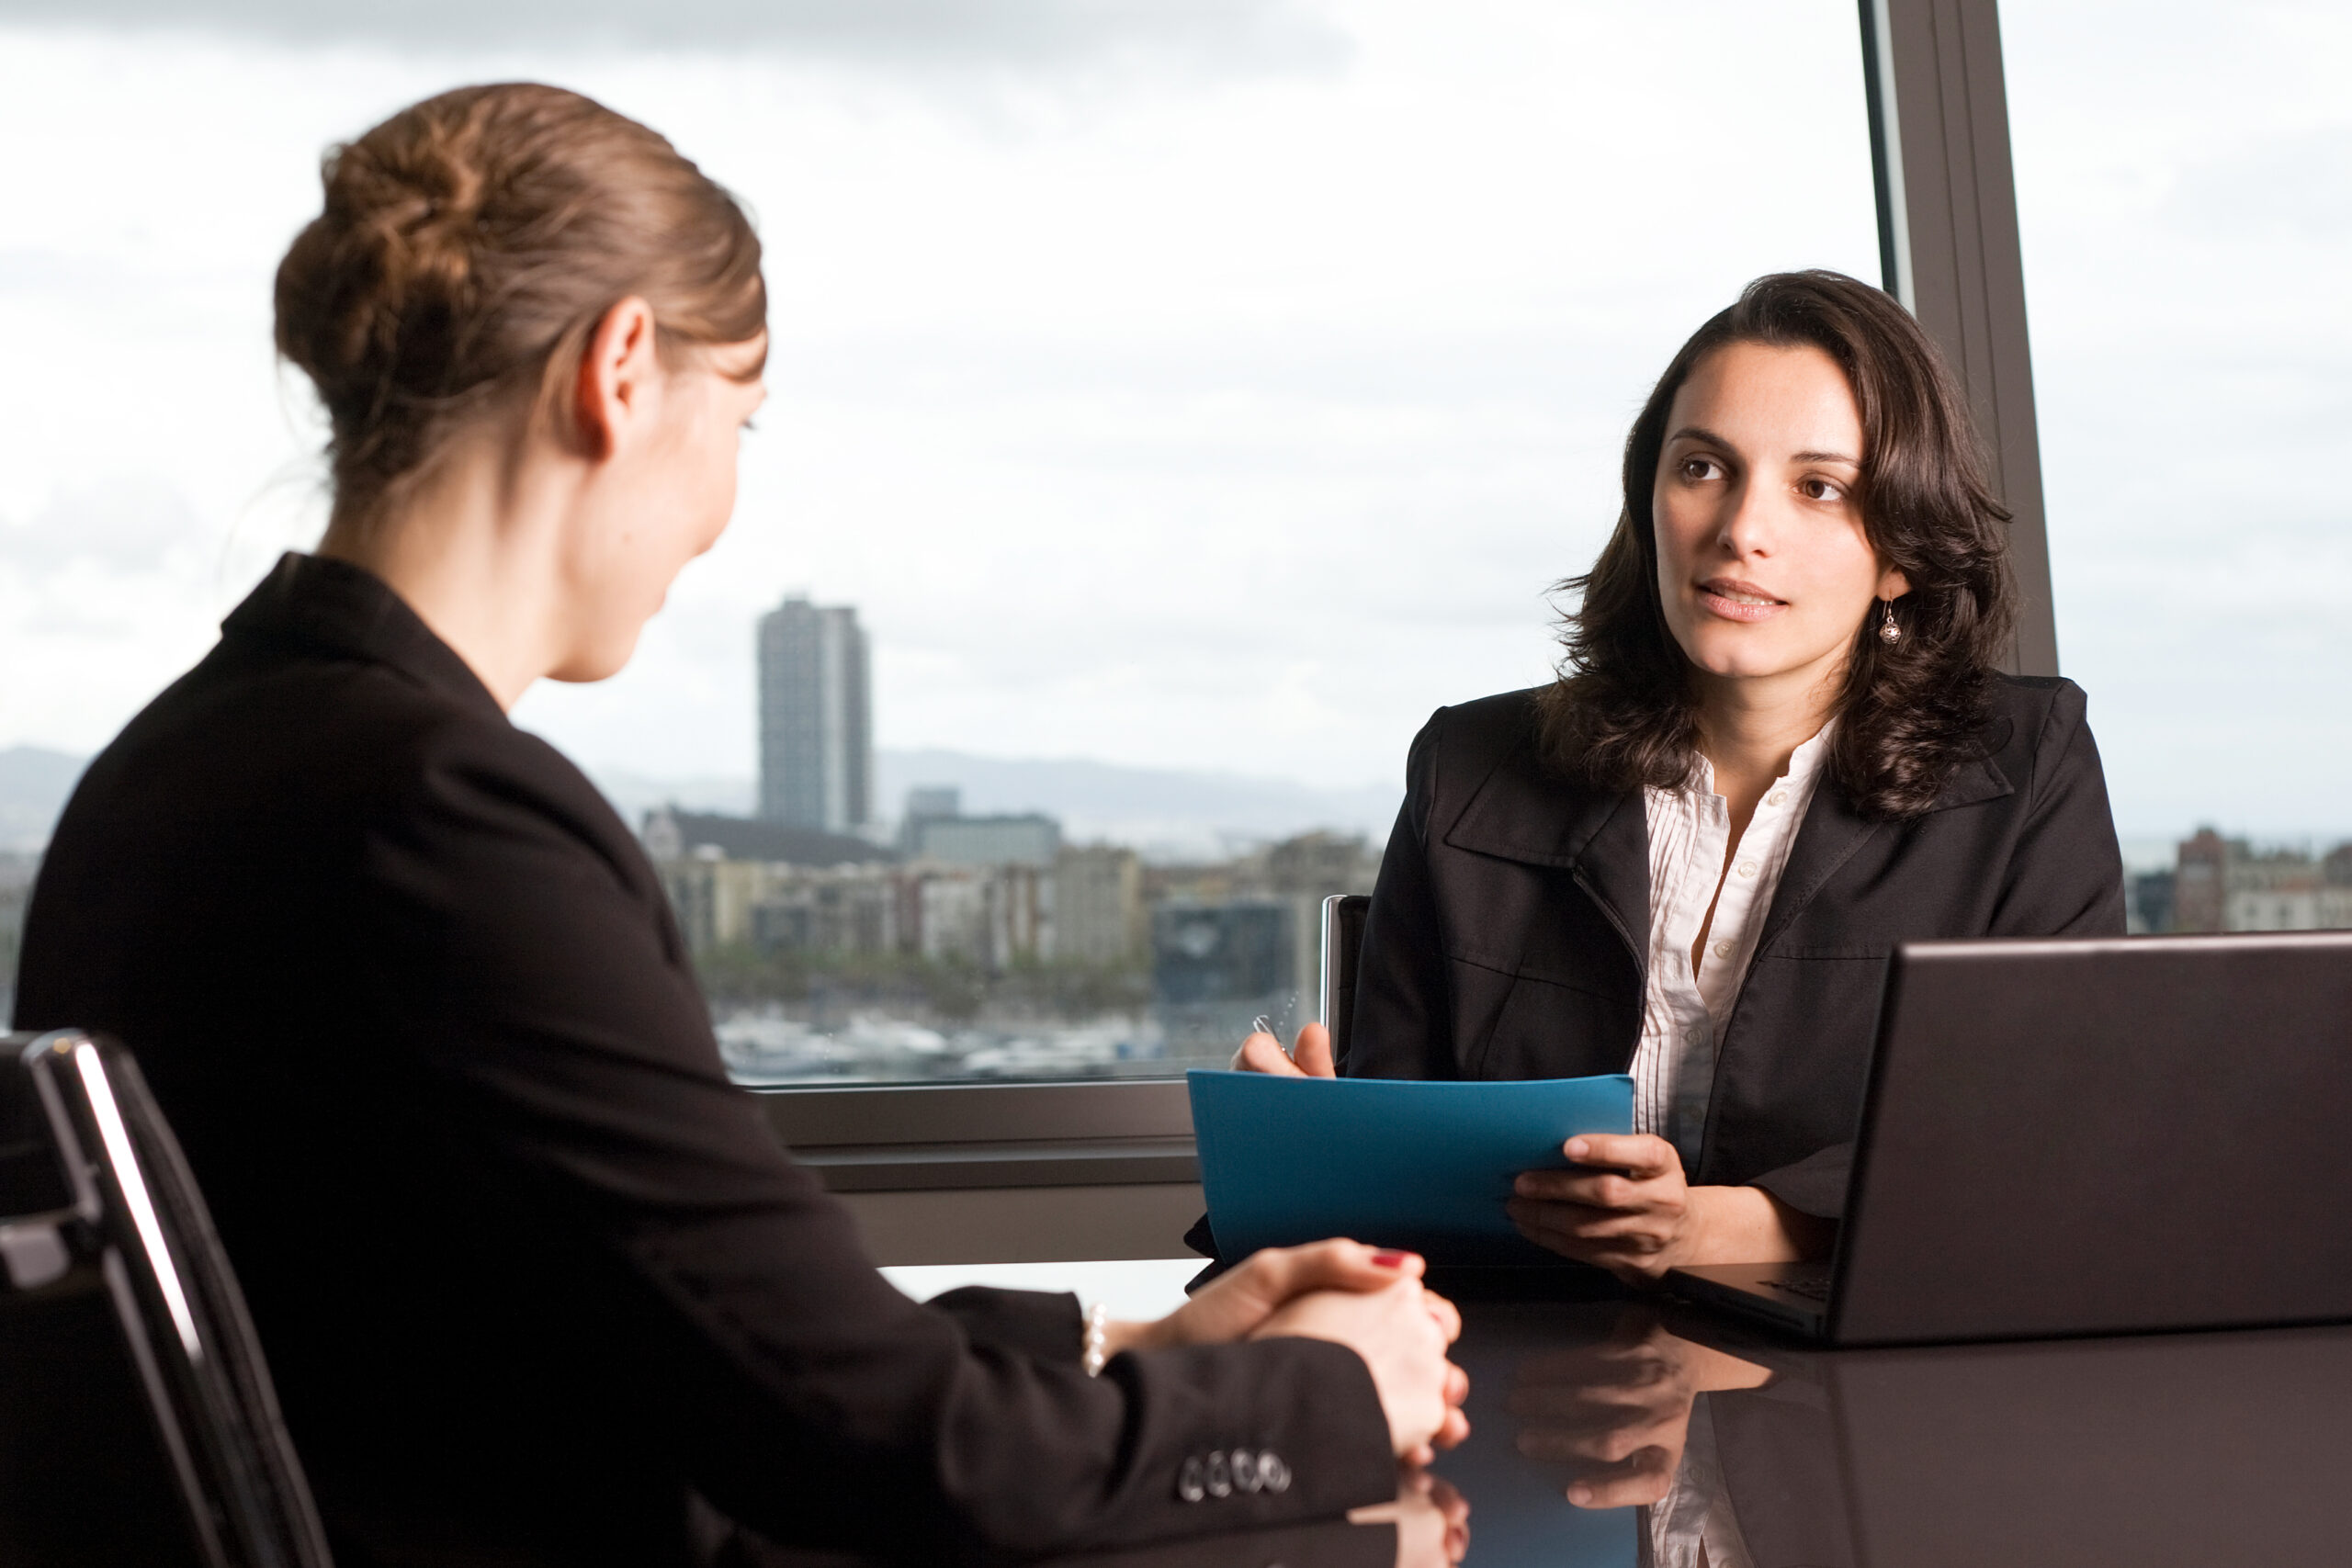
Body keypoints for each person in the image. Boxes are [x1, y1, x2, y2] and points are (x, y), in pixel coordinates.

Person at [10, 84, 1469, 1566]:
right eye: (740, 419)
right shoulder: (446, 824)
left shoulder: (161, 776)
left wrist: (1131, 1344)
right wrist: (1330, 1392)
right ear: (621, 369)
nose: (722, 504)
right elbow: (881, 1449)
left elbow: (677, 1352)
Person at [1224, 271, 2124, 1284]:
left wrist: (1712, 1229)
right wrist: (1317, 1150)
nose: (1741, 529)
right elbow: (1395, 1184)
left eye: (1818, 487)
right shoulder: (1468, 769)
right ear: (1647, 501)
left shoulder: (2025, 764)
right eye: (1702, 467)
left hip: (1862, 1353)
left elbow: (2042, 1133)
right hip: (1512, 1354)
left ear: (1900, 555)